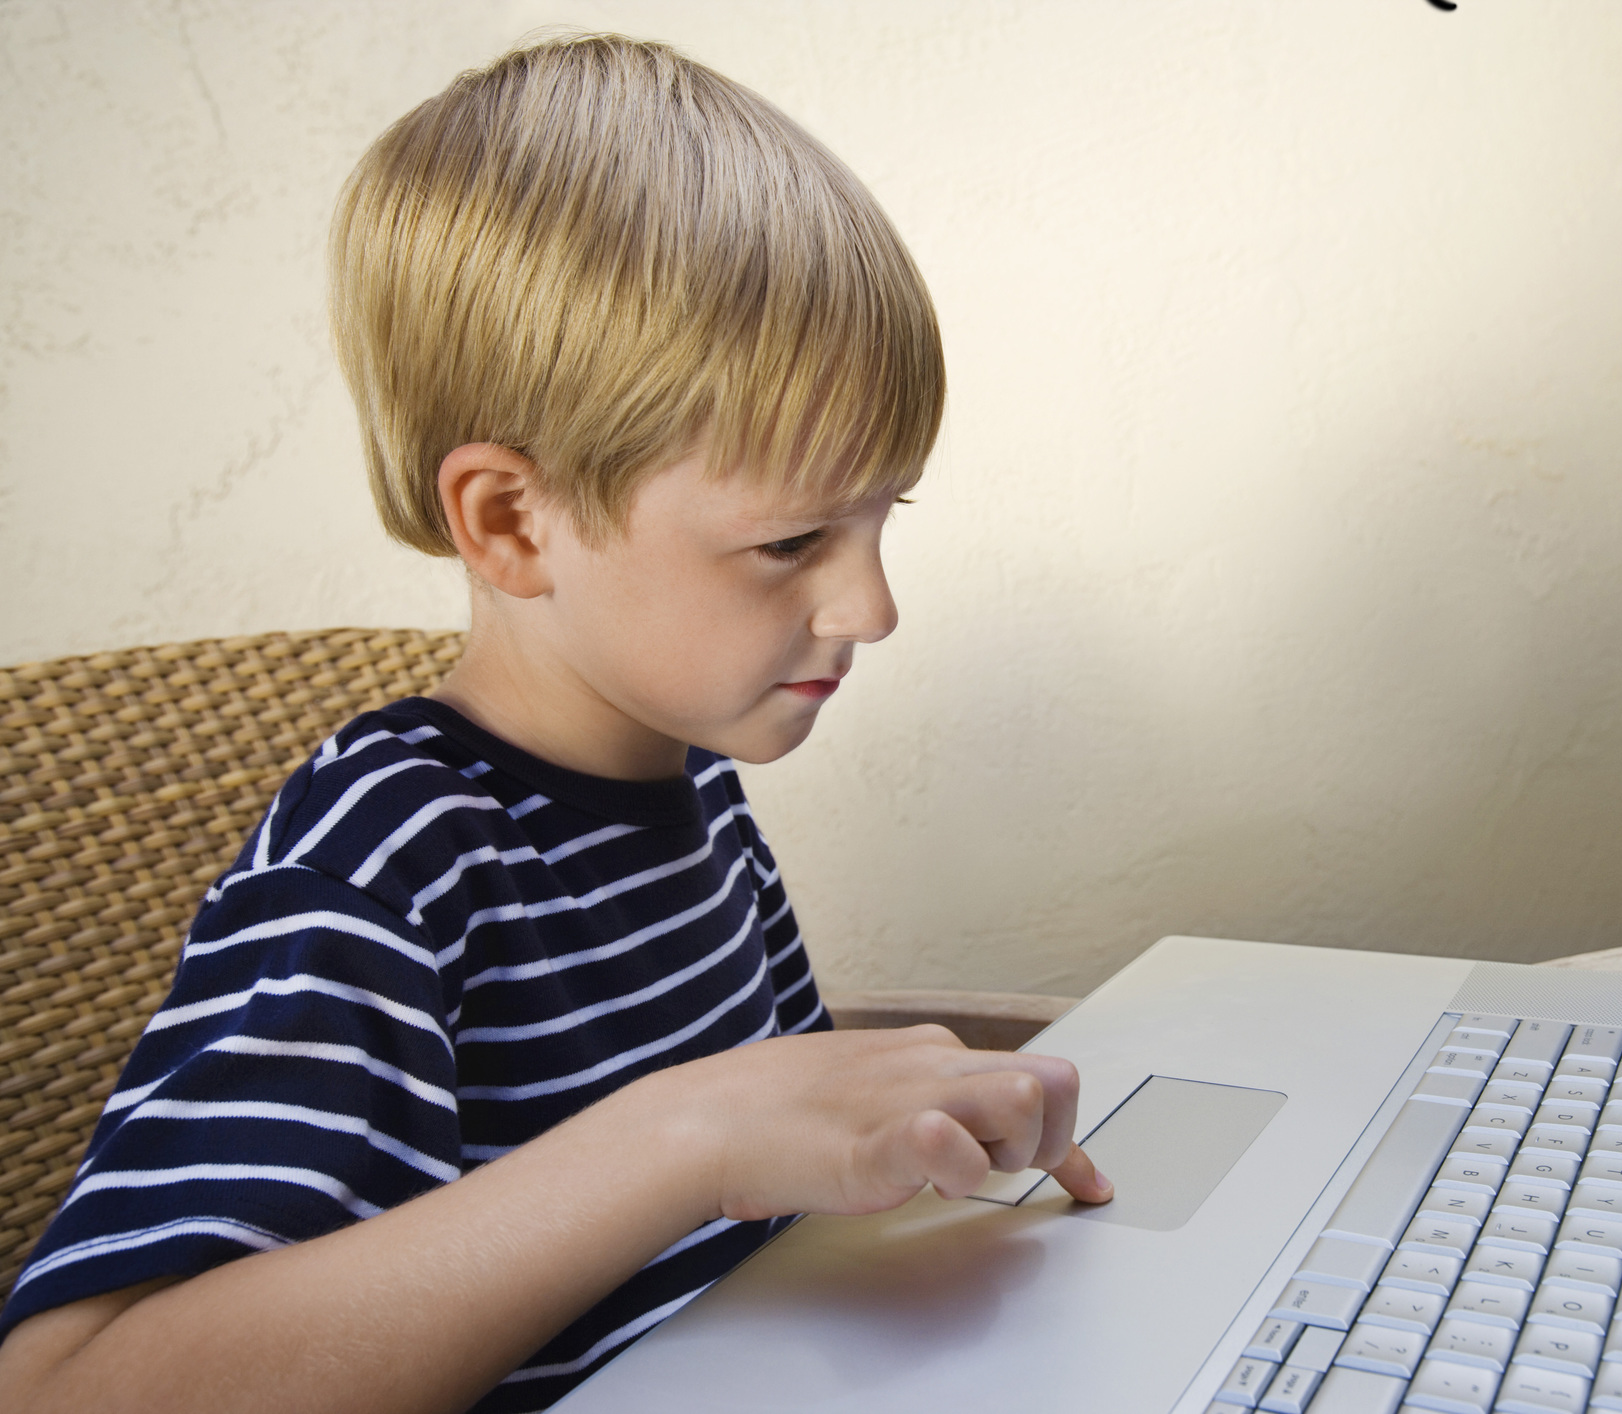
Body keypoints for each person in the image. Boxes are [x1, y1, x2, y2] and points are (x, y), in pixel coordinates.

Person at [0, 32, 1109, 1414]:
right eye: (789, 540)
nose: (870, 607)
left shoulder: (694, 786)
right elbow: (69, 1387)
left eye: (886, 516)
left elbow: (774, 1185)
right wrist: (684, 1134)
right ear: (513, 520)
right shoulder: (388, 851)